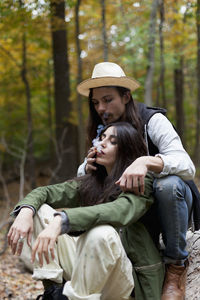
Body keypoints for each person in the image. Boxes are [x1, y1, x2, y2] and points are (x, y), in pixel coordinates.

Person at [76, 62, 198, 300]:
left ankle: (176, 266)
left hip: (168, 204)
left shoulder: (153, 120)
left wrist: (145, 162)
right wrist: (87, 167)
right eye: (96, 102)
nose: (101, 108)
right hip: (131, 210)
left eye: (108, 99)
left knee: (168, 185)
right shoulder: (102, 128)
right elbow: (80, 177)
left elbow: (187, 166)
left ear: (126, 96)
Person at [8, 122, 164, 300]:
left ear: (127, 150)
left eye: (113, 141)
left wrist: (62, 221)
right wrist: (26, 211)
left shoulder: (143, 182)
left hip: (125, 285)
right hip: (88, 274)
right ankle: (53, 293)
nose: (102, 143)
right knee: (40, 211)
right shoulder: (93, 182)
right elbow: (45, 192)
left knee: (101, 233)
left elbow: (118, 211)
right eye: (102, 138)